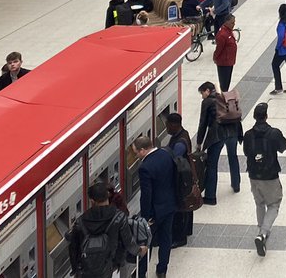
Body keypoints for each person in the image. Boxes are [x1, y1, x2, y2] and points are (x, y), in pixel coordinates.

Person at [243, 101, 286, 256]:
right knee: (274, 204)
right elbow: (283, 147)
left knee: (259, 202)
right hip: (270, 175)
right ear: (266, 116)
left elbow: (246, 152)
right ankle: (262, 233)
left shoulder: (248, 134)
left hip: (253, 175)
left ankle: (261, 230)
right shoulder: (274, 133)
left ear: (254, 116)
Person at [67, 178, 138, 277]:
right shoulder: (119, 217)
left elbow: (73, 248)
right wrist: (139, 251)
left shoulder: (81, 221)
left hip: (86, 269)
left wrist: (75, 269)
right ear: (107, 196)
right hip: (110, 266)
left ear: (92, 201)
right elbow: (128, 242)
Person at [134, 134, 178, 277]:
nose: (136, 156)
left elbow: (146, 196)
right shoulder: (166, 153)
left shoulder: (145, 167)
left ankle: (141, 273)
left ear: (142, 150)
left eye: (136, 153)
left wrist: (145, 218)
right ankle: (162, 269)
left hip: (155, 212)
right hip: (170, 204)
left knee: (146, 242)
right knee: (166, 238)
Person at [197, 80, 241, 204]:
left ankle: (210, 197)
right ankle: (236, 184)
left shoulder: (207, 102)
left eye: (202, 93)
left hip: (217, 135)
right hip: (233, 131)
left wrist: (199, 142)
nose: (202, 96)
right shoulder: (225, 98)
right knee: (233, 157)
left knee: (212, 164)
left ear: (207, 91)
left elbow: (203, 123)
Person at [162, 112, 196, 248]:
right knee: (187, 206)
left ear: (174, 125)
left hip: (181, 179)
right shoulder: (183, 134)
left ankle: (180, 238)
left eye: (167, 125)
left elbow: (174, 160)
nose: (166, 128)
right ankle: (187, 231)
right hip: (187, 177)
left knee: (181, 208)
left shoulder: (179, 144)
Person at [214, 15, 238, 91]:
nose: (233, 24)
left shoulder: (229, 30)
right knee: (224, 83)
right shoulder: (222, 34)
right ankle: (223, 98)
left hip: (230, 61)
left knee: (227, 82)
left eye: (234, 22)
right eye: (232, 23)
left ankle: (225, 95)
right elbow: (219, 49)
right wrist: (215, 57)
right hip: (224, 63)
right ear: (226, 22)